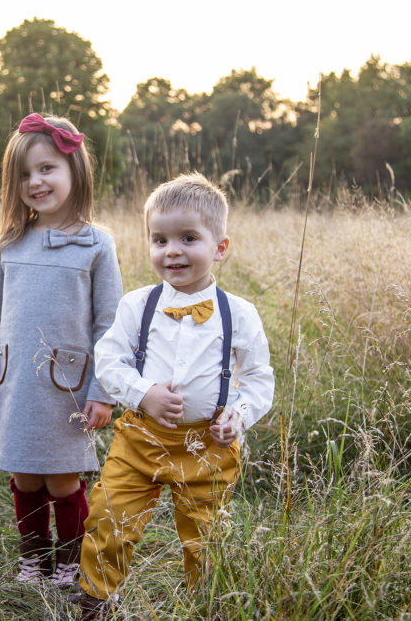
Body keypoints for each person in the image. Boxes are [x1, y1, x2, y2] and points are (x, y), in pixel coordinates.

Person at [76, 172, 274, 617]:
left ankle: (206, 601)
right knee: (109, 517)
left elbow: (258, 377)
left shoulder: (239, 314)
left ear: (220, 247)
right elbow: (109, 360)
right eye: (160, 239)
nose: (173, 251)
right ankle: (97, 598)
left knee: (206, 534)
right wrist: (143, 393)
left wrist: (238, 415)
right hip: (140, 440)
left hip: (209, 444)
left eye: (189, 238)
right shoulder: (137, 304)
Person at [0, 113, 123, 588]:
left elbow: (110, 325)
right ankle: (33, 559)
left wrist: (103, 391)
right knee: (25, 477)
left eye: (47, 168)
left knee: (62, 480)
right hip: (16, 385)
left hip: (69, 391)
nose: (35, 181)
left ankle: (70, 562)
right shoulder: (10, 245)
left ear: (76, 170)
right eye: (23, 174)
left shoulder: (96, 245)